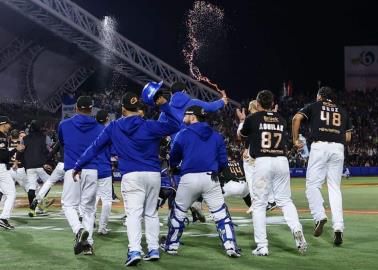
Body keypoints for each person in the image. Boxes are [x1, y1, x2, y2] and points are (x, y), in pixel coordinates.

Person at [73, 91, 180, 266]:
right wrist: (164, 105)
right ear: (138, 108)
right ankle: (153, 249)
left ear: (123, 108)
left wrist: (78, 165)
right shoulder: (150, 125)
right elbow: (176, 125)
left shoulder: (114, 126)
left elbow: (94, 148)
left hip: (131, 175)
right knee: (151, 213)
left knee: (133, 214)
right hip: (153, 174)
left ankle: (135, 250)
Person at [161, 105, 241, 258]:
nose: (184, 117)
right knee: (221, 214)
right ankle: (231, 246)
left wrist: (175, 167)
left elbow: (173, 158)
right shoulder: (217, 136)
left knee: (178, 212)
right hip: (211, 178)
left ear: (193, 116)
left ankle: (171, 246)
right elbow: (223, 162)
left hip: (189, 179)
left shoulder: (183, 134)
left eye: (186, 114)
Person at [239, 90, 307, 256]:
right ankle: (297, 230)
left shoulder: (252, 118)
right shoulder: (281, 119)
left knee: (259, 205)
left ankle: (262, 246)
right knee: (285, 200)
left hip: (262, 163)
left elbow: (241, 135)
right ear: (272, 103)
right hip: (281, 162)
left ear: (257, 103)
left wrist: (242, 121)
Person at [292, 86, 352, 246]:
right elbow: (348, 137)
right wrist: (335, 138)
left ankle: (319, 215)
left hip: (320, 147)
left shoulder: (314, 106)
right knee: (334, 188)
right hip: (338, 148)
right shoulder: (342, 110)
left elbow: (296, 118)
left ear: (319, 96)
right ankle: (338, 228)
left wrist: (295, 140)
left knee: (312, 185)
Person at [58, 96, 104, 255]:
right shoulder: (99, 127)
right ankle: (88, 245)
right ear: (91, 109)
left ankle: (78, 230)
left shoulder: (64, 125)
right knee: (89, 210)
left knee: (69, 205)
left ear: (76, 108)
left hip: (73, 169)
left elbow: (62, 143)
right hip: (92, 170)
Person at [22, 120, 50, 217]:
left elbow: (21, 151)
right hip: (41, 165)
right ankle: (38, 201)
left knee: (31, 187)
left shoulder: (25, 138)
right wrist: (49, 161)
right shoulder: (44, 137)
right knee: (49, 183)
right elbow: (48, 150)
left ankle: (32, 208)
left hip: (29, 166)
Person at [0, 116, 24, 229]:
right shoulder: (1, 137)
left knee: (4, 192)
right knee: (11, 193)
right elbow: (3, 156)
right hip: (0, 168)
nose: (10, 126)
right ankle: (4, 218)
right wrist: (16, 149)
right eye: (8, 124)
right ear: (3, 124)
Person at [94, 110, 113, 235]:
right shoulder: (108, 132)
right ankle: (102, 227)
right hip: (104, 168)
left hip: (91, 168)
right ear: (106, 118)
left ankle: (90, 221)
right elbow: (114, 151)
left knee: (93, 198)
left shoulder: (90, 132)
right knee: (106, 200)